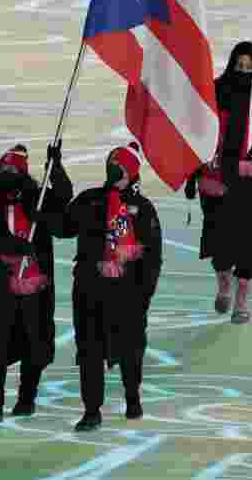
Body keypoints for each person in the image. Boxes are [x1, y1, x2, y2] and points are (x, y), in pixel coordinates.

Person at [185, 41, 252, 324]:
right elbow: (199, 136)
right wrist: (190, 174)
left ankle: (242, 298)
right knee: (219, 240)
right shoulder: (216, 92)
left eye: (249, 67)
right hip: (218, 178)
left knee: (249, 240)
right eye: (239, 66)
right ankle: (223, 280)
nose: (244, 71)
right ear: (232, 65)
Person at [63, 142, 163, 432]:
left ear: (131, 172)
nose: (112, 172)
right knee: (89, 352)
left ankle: (133, 396)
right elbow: (62, 227)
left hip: (128, 294)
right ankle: (91, 410)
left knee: (131, 350)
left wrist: (144, 295)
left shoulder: (143, 210)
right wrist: (57, 176)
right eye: (110, 167)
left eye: (118, 169)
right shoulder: (89, 200)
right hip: (89, 291)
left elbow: (152, 258)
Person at [0, 143, 73, 422]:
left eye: (11, 170)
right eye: (2, 170)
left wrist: (56, 167)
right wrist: (18, 247)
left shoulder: (39, 204)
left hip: (35, 290)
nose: (6, 175)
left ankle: (27, 399)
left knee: (35, 344)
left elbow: (65, 202)